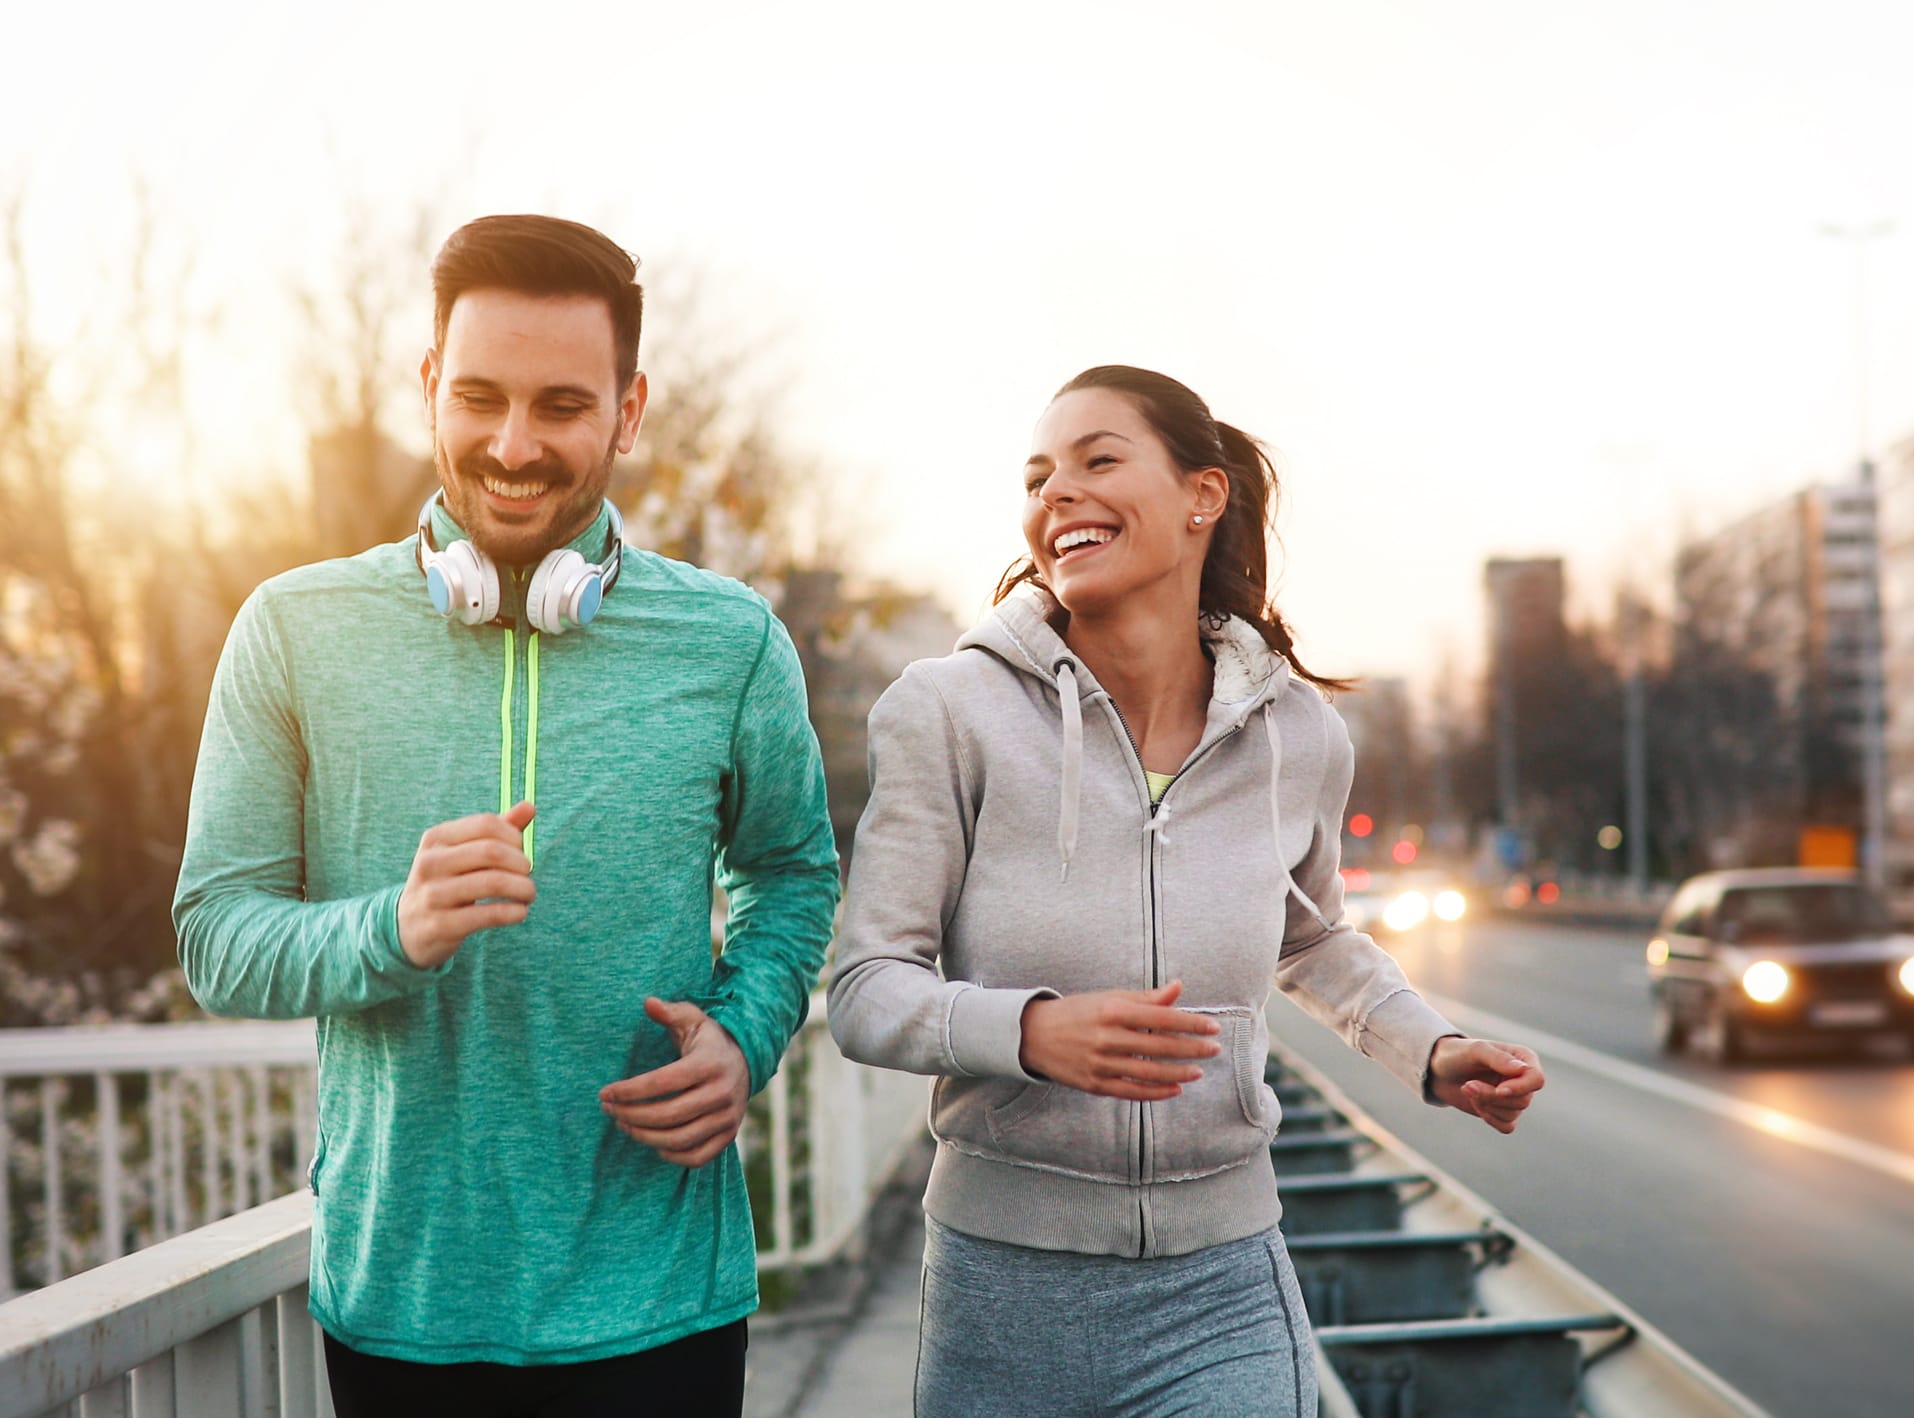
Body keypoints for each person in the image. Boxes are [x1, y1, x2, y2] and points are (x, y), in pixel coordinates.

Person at [173, 215, 839, 1416]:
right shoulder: (290, 628)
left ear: (629, 412)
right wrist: (392, 926)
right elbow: (218, 934)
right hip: (402, 1305)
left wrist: (746, 1031)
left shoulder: (733, 640)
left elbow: (789, 872)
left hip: (662, 1301)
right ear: (430, 388)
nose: (513, 444)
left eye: (562, 406)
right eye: (478, 396)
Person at [828, 365, 1547, 1416]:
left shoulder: (1298, 734)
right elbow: (865, 987)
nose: (1056, 493)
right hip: (1004, 1282)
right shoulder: (948, 711)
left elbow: (1310, 940)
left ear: (1200, 495)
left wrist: (1427, 1047)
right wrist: (1029, 1031)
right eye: (1038, 477)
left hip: (1223, 1279)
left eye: (1097, 460)